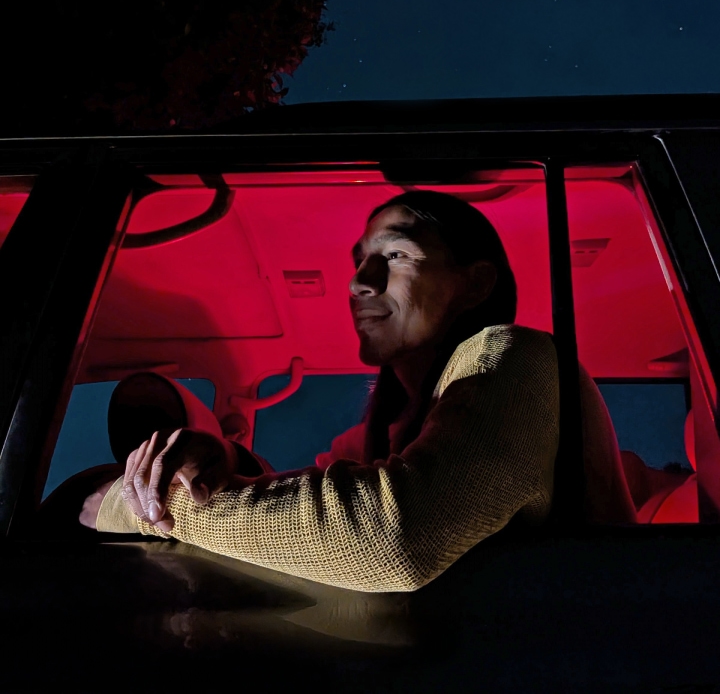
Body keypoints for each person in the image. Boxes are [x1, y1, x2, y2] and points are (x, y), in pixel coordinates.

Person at [80, 190, 560, 592]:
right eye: (360, 261)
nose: (358, 282)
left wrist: (135, 507)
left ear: (474, 283)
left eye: (395, 255)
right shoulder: (369, 442)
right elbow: (300, 501)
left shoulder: (520, 360)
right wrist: (227, 464)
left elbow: (395, 536)